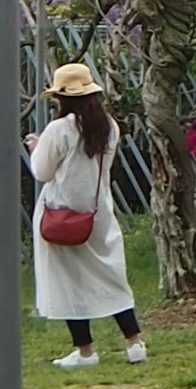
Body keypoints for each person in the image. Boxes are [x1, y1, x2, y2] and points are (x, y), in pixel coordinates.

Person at [30, 62, 143, 367]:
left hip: (61, 215)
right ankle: (134, 343)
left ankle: (85, 351)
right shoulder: (109, 126)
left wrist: (37, 148)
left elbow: (43, 171)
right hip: (99, 215)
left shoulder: (59, 129)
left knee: (67, 281)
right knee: (111, 276)